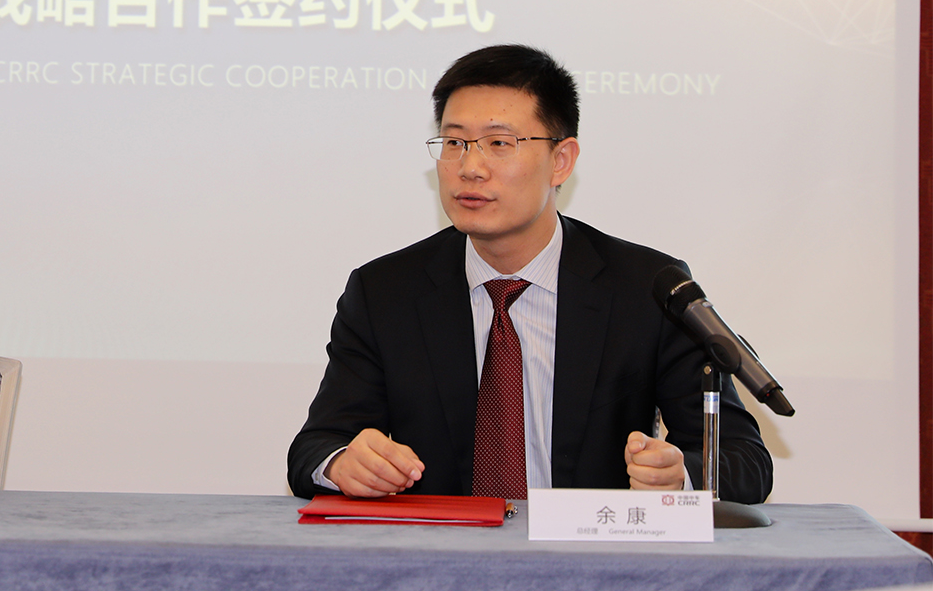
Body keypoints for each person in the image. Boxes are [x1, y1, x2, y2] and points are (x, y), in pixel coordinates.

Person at [286, 44, 772, 503]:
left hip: (591, 559)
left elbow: (745, 460)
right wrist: (343, 463)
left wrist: (679, 476)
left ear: (561, 161)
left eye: (499, 143)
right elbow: (314, 447)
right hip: (441, 557)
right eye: (454, 142)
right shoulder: (385, 292)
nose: (470, 167)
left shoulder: (646, 288)